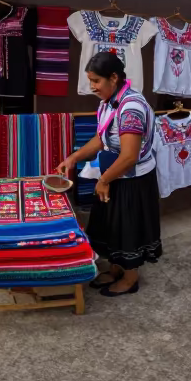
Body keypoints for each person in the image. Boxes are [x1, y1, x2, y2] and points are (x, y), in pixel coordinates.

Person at [57, 52, 159, 298]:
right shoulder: (108, 102)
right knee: (113, 225)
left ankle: (130, 277)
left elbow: (129, 156)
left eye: (96, 81)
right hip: (114, 173)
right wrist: (73, 158)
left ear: (114, 77)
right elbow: (101, 138)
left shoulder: (131, 108)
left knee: (127, 227)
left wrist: (104, 180)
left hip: (131, 178)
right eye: (90, 80)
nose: (92, 86)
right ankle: (115, 268)